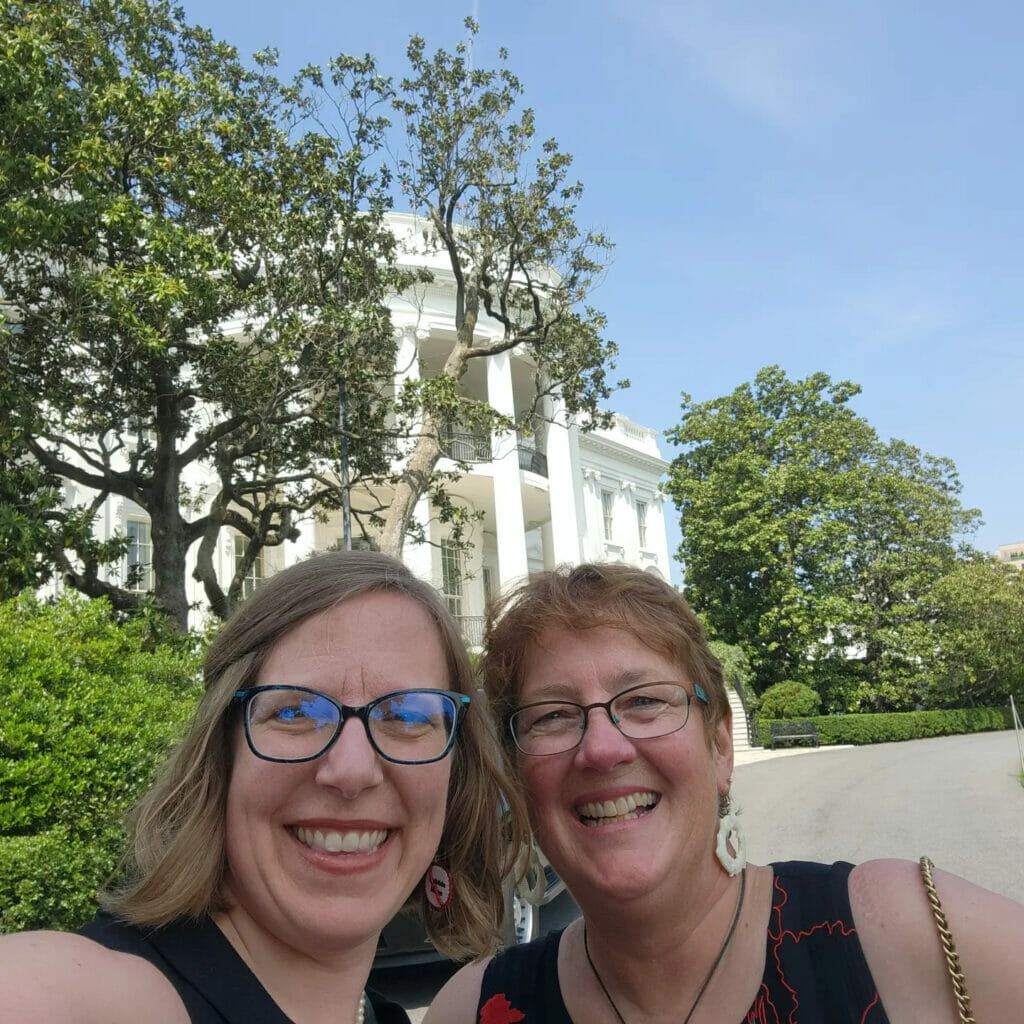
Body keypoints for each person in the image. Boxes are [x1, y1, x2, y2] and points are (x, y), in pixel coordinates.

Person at [426, 562, 1024, 1024]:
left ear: (720, 747)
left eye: (644, 702)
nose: (602, 749)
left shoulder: (905, 932)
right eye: (553, 715)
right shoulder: (476, 1010)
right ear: (518, 774)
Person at [0, 550, 526, 1024]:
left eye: (409, 715)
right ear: (221, 755)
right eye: (295, 710)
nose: (351, 770)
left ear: (457, 778)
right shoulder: (98, 993)